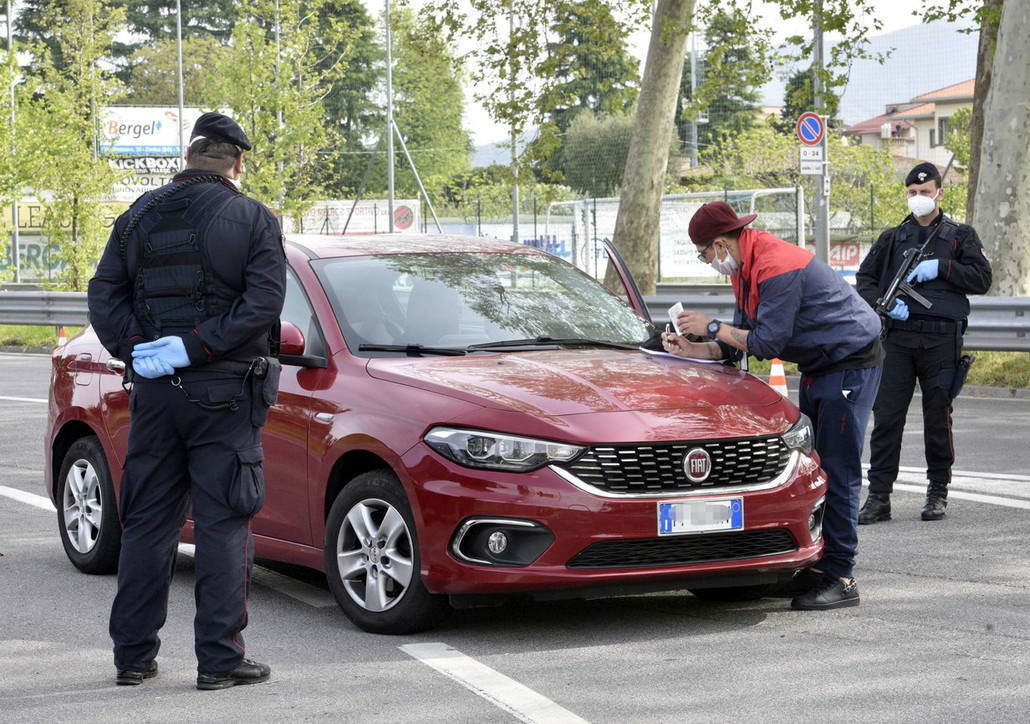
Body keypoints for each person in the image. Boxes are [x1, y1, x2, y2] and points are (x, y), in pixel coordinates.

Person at [87, 112, 287, 690]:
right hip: (224, 394)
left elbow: (104, 294)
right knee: (224, 525)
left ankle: (132, 658)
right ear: (237, 164)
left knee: (147, 523)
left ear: (191, 156)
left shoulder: (136, 216)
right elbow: (263, 305)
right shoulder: (254, 218)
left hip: (153, 393)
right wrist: (196, 346)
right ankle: (220, 662)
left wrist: (139, 348)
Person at [663, 202, 883, 611]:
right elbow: (736, 346)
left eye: (704, 254)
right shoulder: (744, 266)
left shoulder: (776, 264)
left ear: (718, 243)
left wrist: (712, 325)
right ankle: (818, 567)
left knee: (839, 467)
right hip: (821, 364)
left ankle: (841, 575)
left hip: (850, 363)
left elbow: (766, 344)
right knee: (813, 465)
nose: (707, 261)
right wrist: (694, 347)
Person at [856, 162, 992, 524]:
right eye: (913, 193)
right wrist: (884, 303)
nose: (919, 198)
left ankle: (937, 492)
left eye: (925, 192)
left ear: (939, 193)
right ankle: (879, 497)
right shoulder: (892, 238)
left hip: (941, 340)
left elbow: (982, 278)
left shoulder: (961, 235)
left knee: (937, 417)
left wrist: (943, 268)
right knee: (887, 418)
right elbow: (865, 281)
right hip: (898, 337)